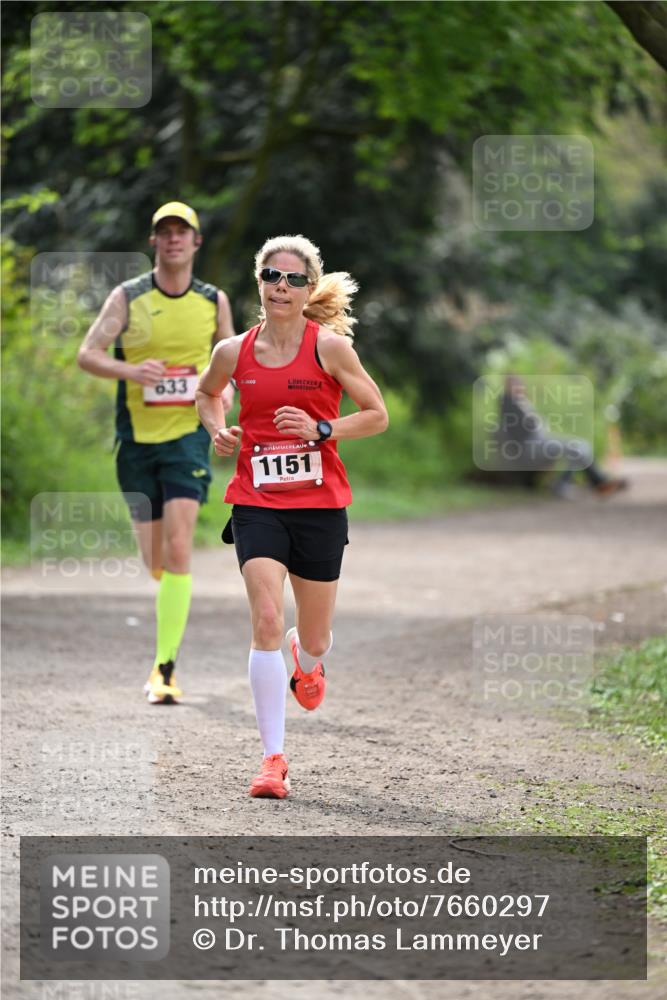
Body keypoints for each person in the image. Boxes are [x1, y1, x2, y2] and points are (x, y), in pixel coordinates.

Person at [196, 235, 388, 799]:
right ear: (259, 281)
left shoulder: (329, 349)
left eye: (294, 279)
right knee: (264, 620)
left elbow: (376, 415)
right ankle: (272, 760)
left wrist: (322, 429)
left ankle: (309, 659)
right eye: (272, 276)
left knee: (318, 635)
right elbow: (208, 395)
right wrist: (218, 429)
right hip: (256, 499)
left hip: (319, 504)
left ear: (308, 289)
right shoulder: (232, 351)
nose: (282, 286)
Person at [77, 201, 235, 703]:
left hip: (188, 435)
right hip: (136, 443)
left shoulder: (214, 301)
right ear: (154, 242)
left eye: (181, 232)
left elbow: (231, 362)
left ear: (196, 242)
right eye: (164, 232)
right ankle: (171, 606)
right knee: (155, 560)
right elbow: (88, 354)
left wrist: (223, 401)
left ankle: (164, 669)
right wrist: (133, 371)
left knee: (180, 547)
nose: (172, 240)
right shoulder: (128, 296)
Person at [497, 375, 628, 499]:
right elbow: (527, 425)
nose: (518, 387)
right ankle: (594, 483)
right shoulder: (508, 402)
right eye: (514, 384)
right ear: (507, 386)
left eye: (519, 383)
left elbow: (534, 423)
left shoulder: (522, 402)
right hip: (531, 445)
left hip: (541, 441)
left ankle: (595, 482)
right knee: (577, 448)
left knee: (581, 447)